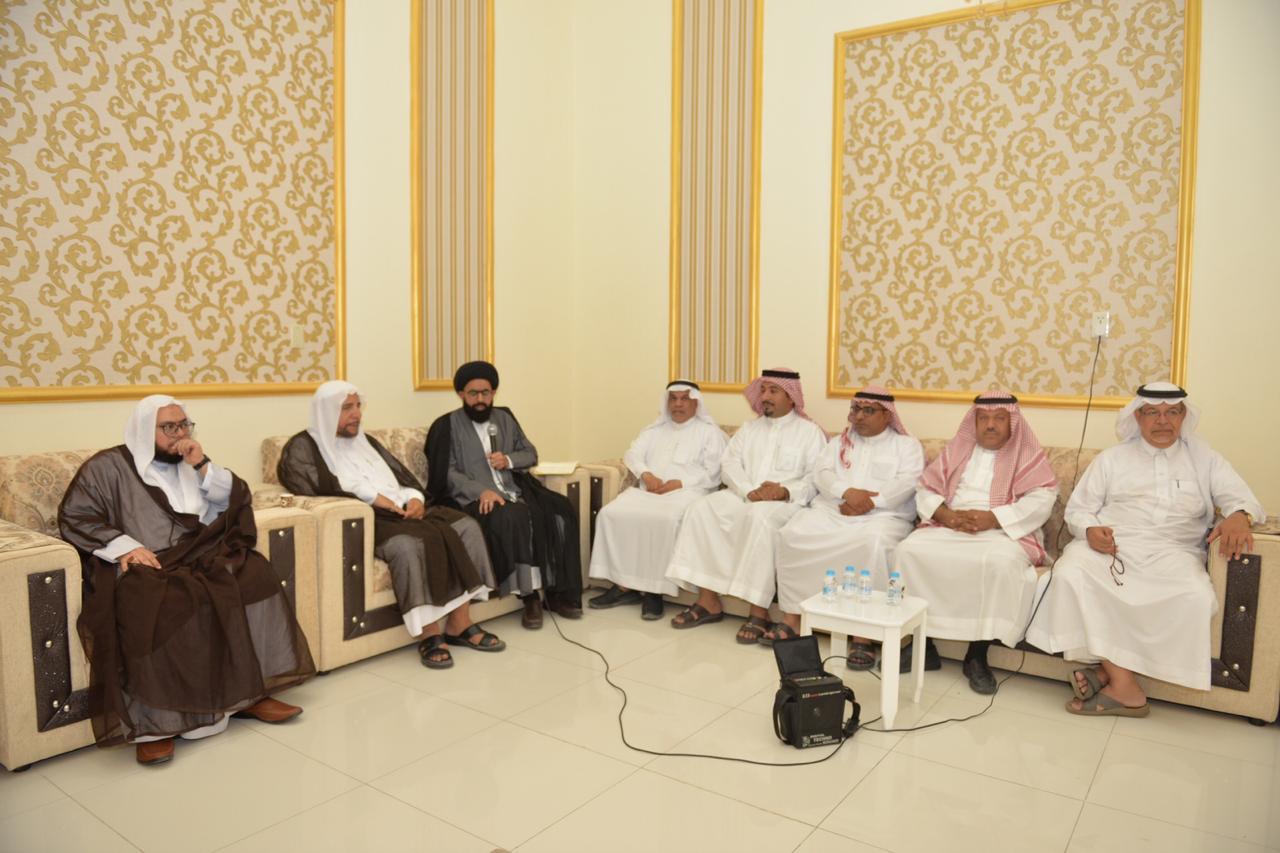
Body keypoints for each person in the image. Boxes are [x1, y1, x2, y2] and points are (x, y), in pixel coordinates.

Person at [59, 396, 315, 765]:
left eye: (184, 425)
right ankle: (156, 725)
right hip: (150, 562)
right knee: (157, 600)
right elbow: (76, 516)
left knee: (254, 575)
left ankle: (248, 694)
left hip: (200, 553)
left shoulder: (191, 462)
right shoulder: (107, 467)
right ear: (144, 430)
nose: (179, 434)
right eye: (169, 427)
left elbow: (234, 500)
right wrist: (126, 547)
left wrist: (202, 464)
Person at [1026, 382, 1264, 717]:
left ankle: (1107, 674)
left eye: (1172, 412)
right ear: (1138, 417)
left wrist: (1240, 515)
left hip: (1174, 553)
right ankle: (1124, 686)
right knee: (1068, 573)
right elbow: (1079, 510)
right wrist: (1090, 531)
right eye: (1152, 412)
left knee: (1195, 596)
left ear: (1183, 416)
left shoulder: (1205, 459)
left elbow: (1241, 498)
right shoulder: (1112, 459)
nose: (1162, 420)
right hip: (1113, 550)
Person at [278, 381, 503, 670]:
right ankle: (428, 632)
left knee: (466, 526)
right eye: (347, 408)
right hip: (370, 518)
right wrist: (372, 498)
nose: (356, 414)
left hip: (403, 511)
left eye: (358, 406)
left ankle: (459, 623)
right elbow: (307, 483)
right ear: (326, 411)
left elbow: (402, 478)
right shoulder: (303, 447)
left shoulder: (366, 441)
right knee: (410, 545)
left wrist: (415, 498)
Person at [894, 391, 1058, 694]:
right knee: (909, 551)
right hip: (951, 525)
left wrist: (993, 518)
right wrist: (946, 515)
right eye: (983, 418)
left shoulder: (1027, 455)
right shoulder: (958, 450)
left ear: (1012, 422)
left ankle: (977, 655)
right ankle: (923, 645)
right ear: (975, 422)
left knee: (998, 564)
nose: (990, 425)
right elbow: (926, 488)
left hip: (1002, 531)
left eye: (999, 418)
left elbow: (1042, 498)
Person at [665, 368, 827, 643]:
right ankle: (707, 601)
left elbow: (815, 478)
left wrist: (784, 490)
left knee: (760, 518)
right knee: (701, 509)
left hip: (786, 503)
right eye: (763, 390)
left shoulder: (809, 433)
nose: (765, 397)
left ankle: (758, 611)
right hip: (745, 494)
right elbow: (729, 464)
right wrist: (747, 490)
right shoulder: (749, 429)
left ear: (791, 397)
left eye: (773, 391)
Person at [425, 361, 583, 629]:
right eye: (473, 393)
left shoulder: (505, 419)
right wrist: (481, 491)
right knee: (514, 515)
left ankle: (557, 591)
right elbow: (447, 473)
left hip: (515, 488)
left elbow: (530, 454)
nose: (480, 399)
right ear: (461, 394)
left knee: (561, 508)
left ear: (494, 392)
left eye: (485, 393)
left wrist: (508, 460)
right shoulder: (447, 425)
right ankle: (529, 596)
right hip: (472, 499)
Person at [772, 387, 924, 665]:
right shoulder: (839, 442)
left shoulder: (906, 445)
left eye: (868, 410)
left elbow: (908, 482)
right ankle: (793, 617)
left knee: (874, 543)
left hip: (884, 517)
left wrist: (870, 503)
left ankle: (862, 635)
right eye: (855, 409)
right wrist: (847, 493)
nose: (859, 416)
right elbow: (821, 473)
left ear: (887, 415)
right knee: (793, 534)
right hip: (833, 509)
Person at [588, 380, 727, 620]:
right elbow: (633, 454)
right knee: (611, 513)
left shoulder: (709, 433)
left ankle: (654, 592)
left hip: (689, 493)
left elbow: (714, 472)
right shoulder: (654, 430)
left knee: (666, 520)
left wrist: (679, 483)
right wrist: (646, 474)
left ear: (696, 403)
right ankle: (623, 586)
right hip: (649, 491)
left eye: (684, 399)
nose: (678, 404)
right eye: (673, 399)